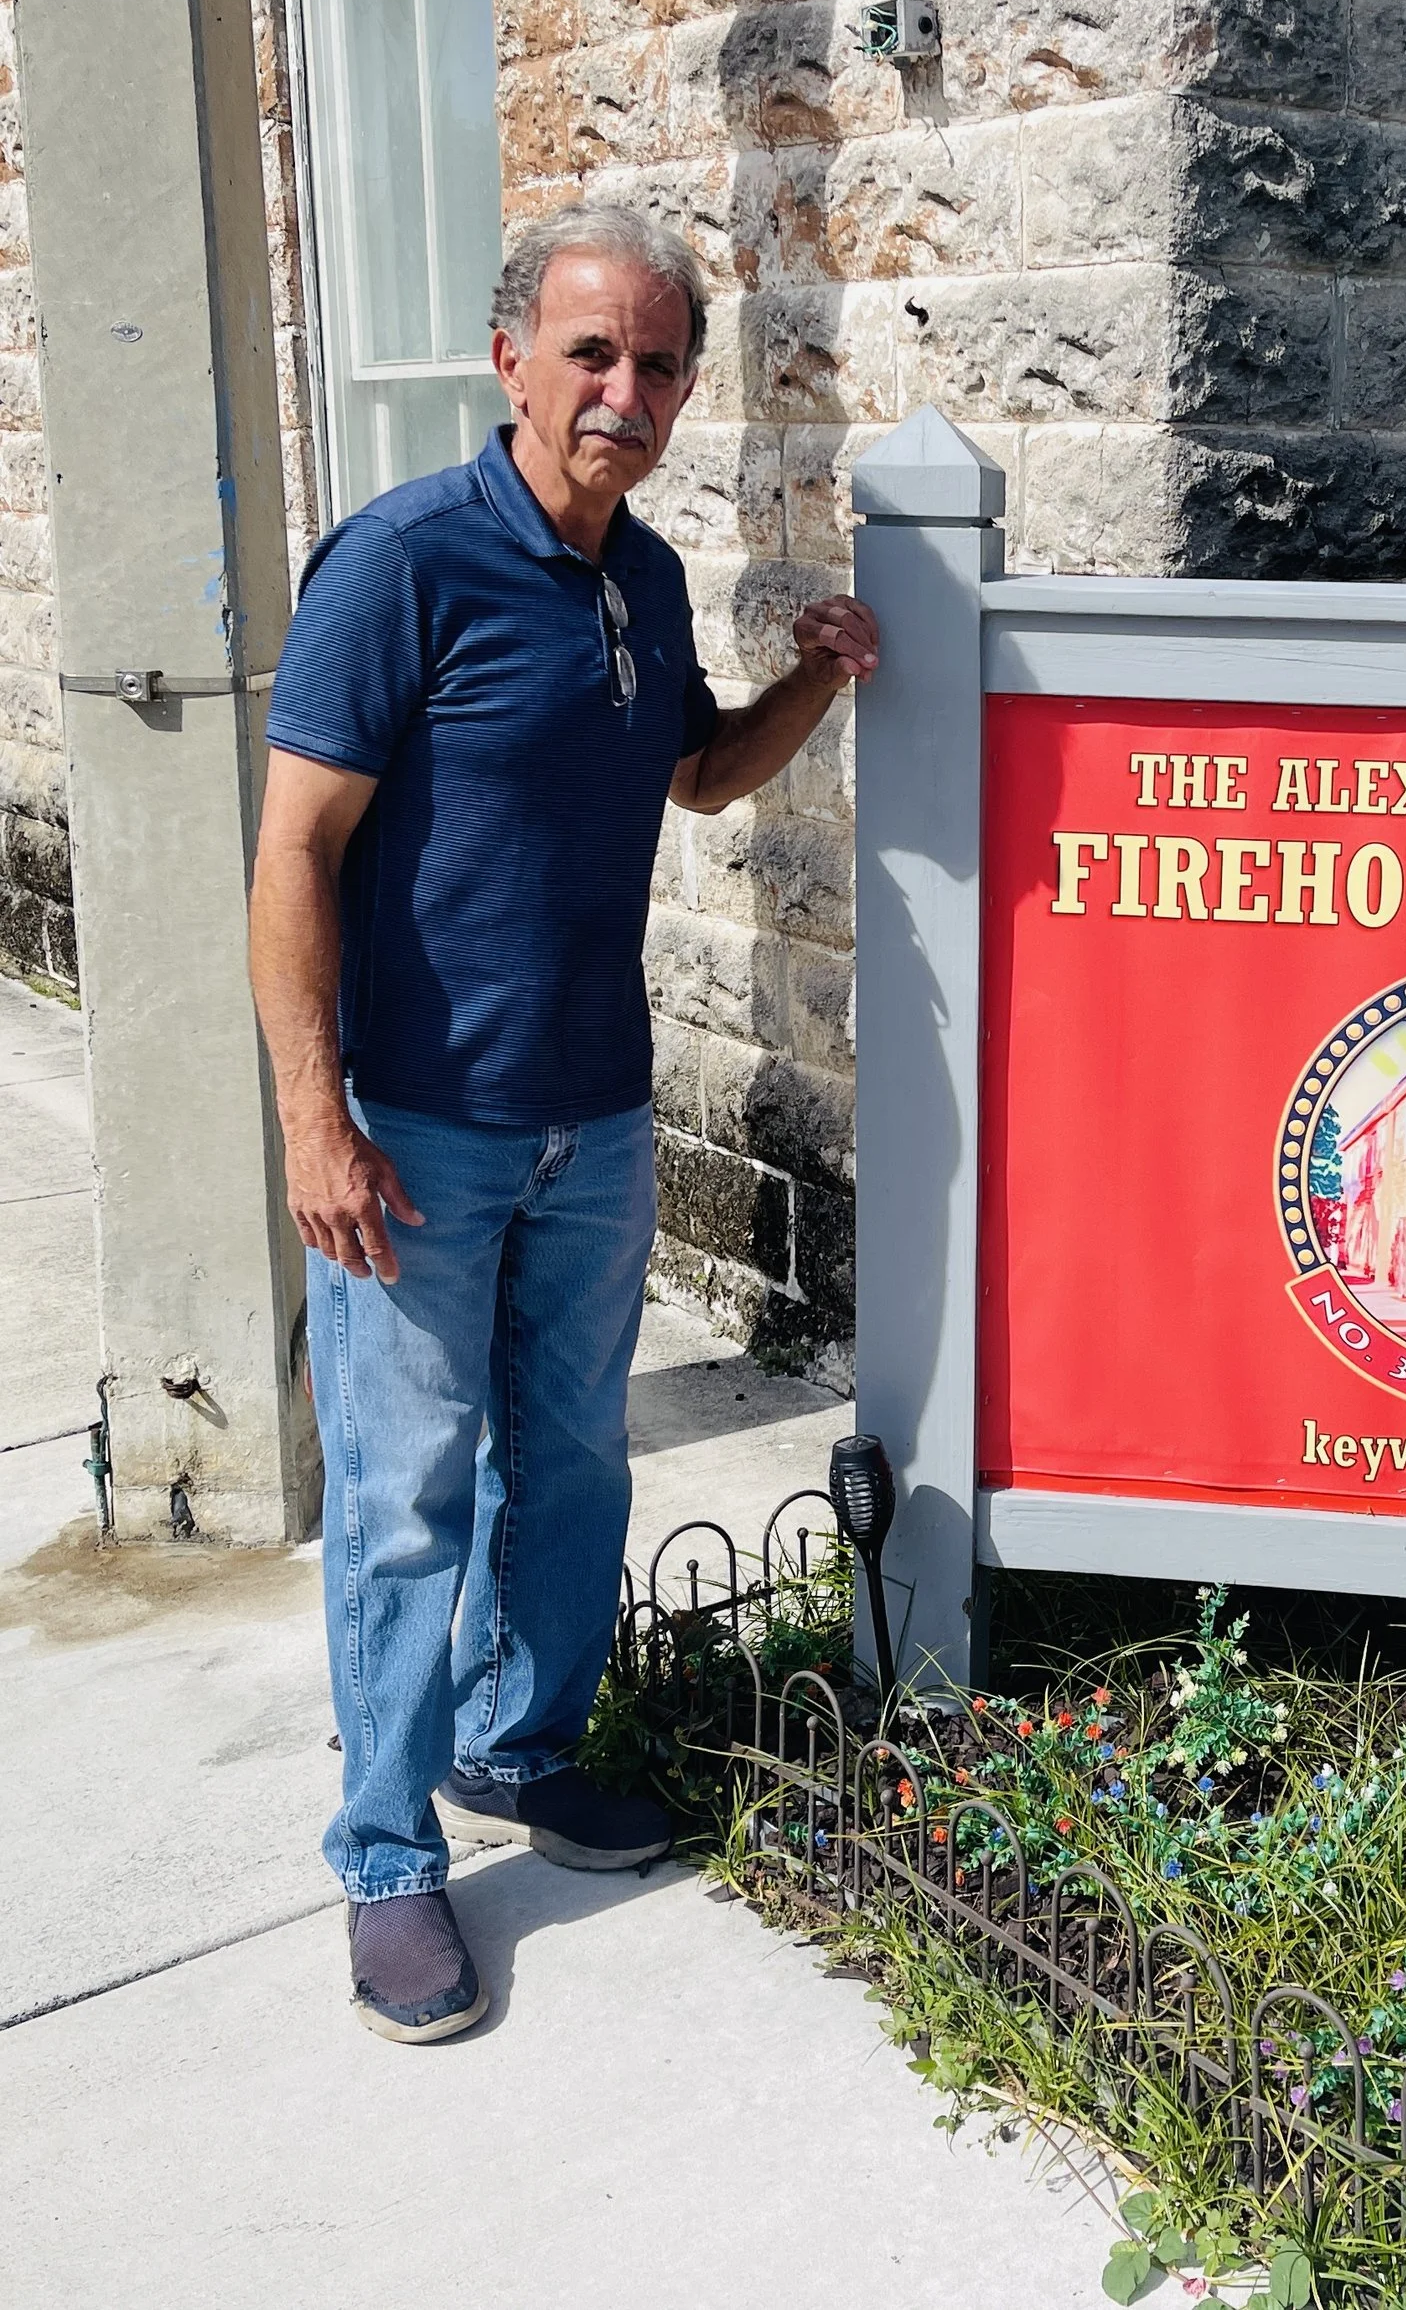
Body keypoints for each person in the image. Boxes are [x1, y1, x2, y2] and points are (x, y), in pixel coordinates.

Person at [248, 205, 879, 2043]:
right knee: (399, 1506)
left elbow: (691, 772)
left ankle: (517, 1753)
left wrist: (815, 685)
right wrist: (315, 1115)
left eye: (660, 363)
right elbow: (293, 849)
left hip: (592, 1120)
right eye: (593, 354)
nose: (626, 391)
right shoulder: (403, 566)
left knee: (574, 1472)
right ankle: (382, 1857)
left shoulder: (646, 578)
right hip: (421, 1130)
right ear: (510, 359)